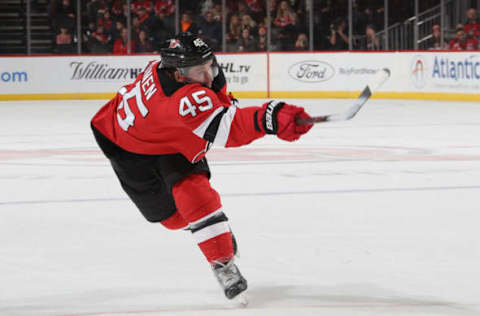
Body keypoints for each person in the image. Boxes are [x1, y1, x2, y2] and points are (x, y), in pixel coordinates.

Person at [90, 32, 313, 300]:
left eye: (211, 66)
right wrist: (270, 117)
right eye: (199, 71)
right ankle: (211, 231)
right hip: (128, 150)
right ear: (178, 74)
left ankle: (224, 264)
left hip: (169, 139)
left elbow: (218, 106)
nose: (209, 76)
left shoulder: (169, 69)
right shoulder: (183, 100)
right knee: (173, 221)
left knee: (195, 196)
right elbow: (230, 130)